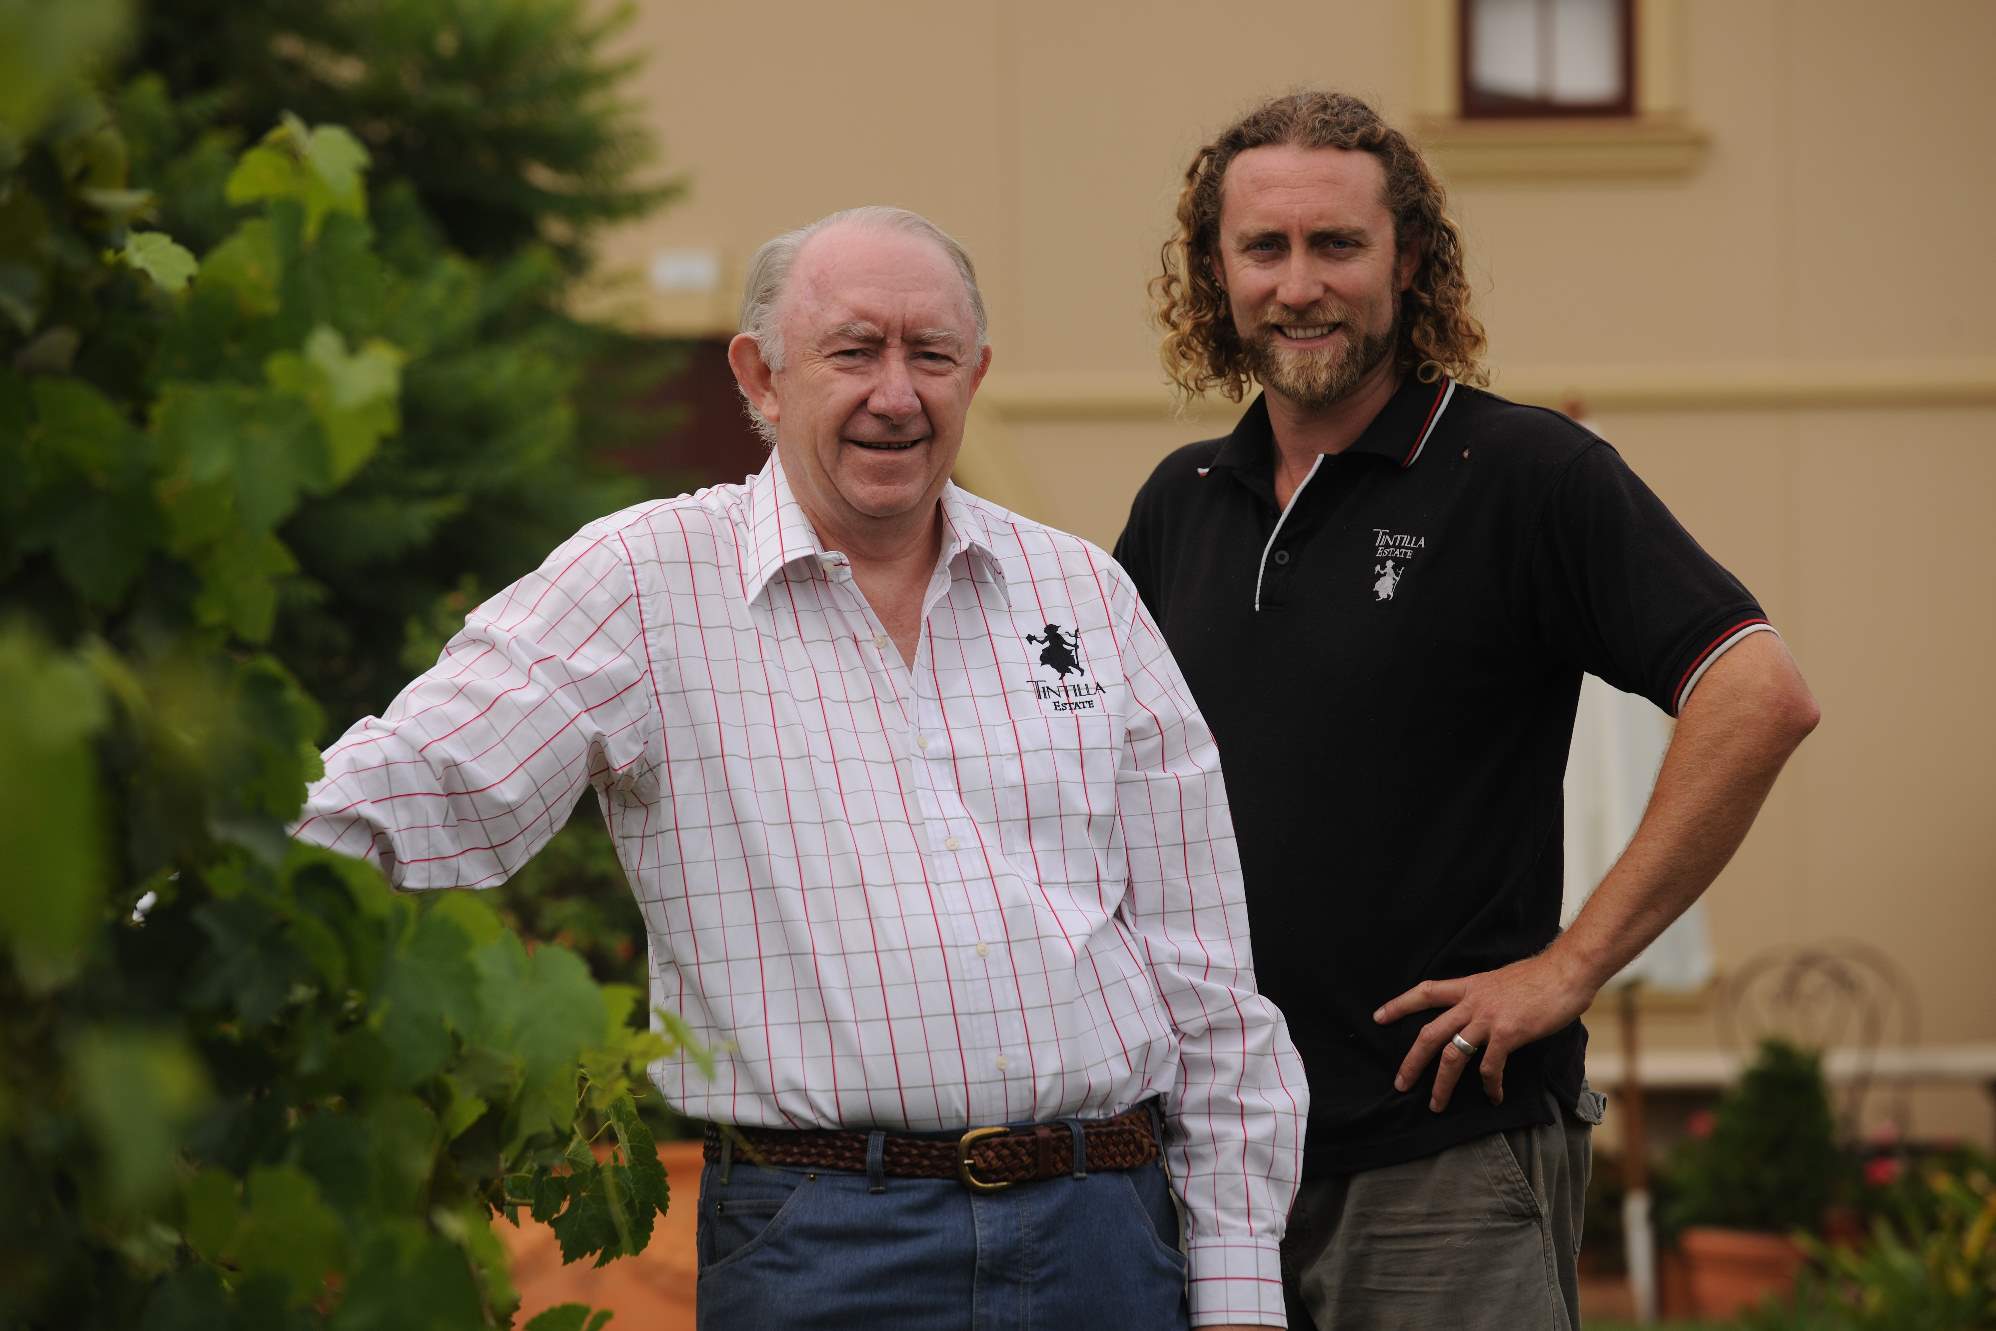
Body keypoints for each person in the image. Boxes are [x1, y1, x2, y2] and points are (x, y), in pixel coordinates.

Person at [295, 205, 1305, 1330]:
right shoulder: (646, 582)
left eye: (930, 355)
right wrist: (194, 904)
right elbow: (423, 776)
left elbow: (1206, 974)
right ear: (761, 376)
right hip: (826, 1242)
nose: (896, 393)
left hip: (1104, 1237)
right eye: (853, 350)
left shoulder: (1081, 594)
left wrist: (1237, 1285)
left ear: (975, 374)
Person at [1114, 92, 1820, 1330]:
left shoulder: (1522, 473)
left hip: (1441, 1154)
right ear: (1213, 271)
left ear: (1409, 260)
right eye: (1263, 249)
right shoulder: (1183, 500)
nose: (1299, 284)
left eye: (1337, 245)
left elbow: (1756, 694)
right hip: (1214, 1160)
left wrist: (1570, 965)